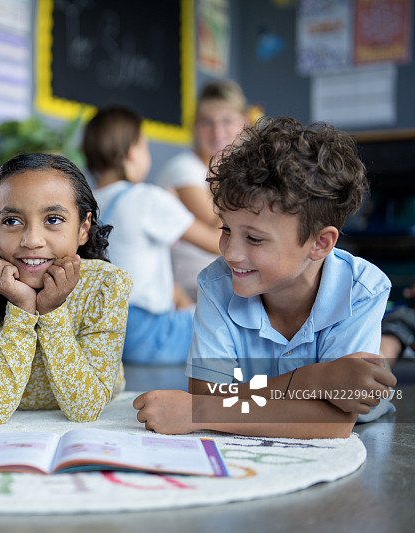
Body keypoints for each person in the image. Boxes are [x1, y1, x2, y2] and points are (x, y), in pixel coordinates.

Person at [133, 117, 398, 439]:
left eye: (255, 239)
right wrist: (312, 381)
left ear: (320, 243)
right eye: (226, 229)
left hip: (366, 427)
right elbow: (209, 394)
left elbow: (334, 421)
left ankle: (397, 334)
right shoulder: (217, 284)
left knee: (382, 364)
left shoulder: (362, 289)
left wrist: (202, 412)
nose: (230, 253)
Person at [0, 153, 133, 424]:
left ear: (83, 227)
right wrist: (21, 309)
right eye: (12, 221)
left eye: (53, 219)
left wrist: (51, 311)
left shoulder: (106, 286)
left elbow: (86, 409)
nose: (32, 240)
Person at [82, 106, 220, 364]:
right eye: (145, 146)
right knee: (225, 327)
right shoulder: (147, 198)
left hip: (99, 334)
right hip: (147, 335)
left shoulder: (85, 204)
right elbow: (218, 244)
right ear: (132, 152)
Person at [155, 80, 250, 301]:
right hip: (190, 287)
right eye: (207, 122)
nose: (217, 131)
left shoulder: (236, 172)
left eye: (227, 121)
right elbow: (222, 233)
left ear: (244, 123)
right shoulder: (183, 169)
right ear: (195, 126)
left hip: (224, 280)